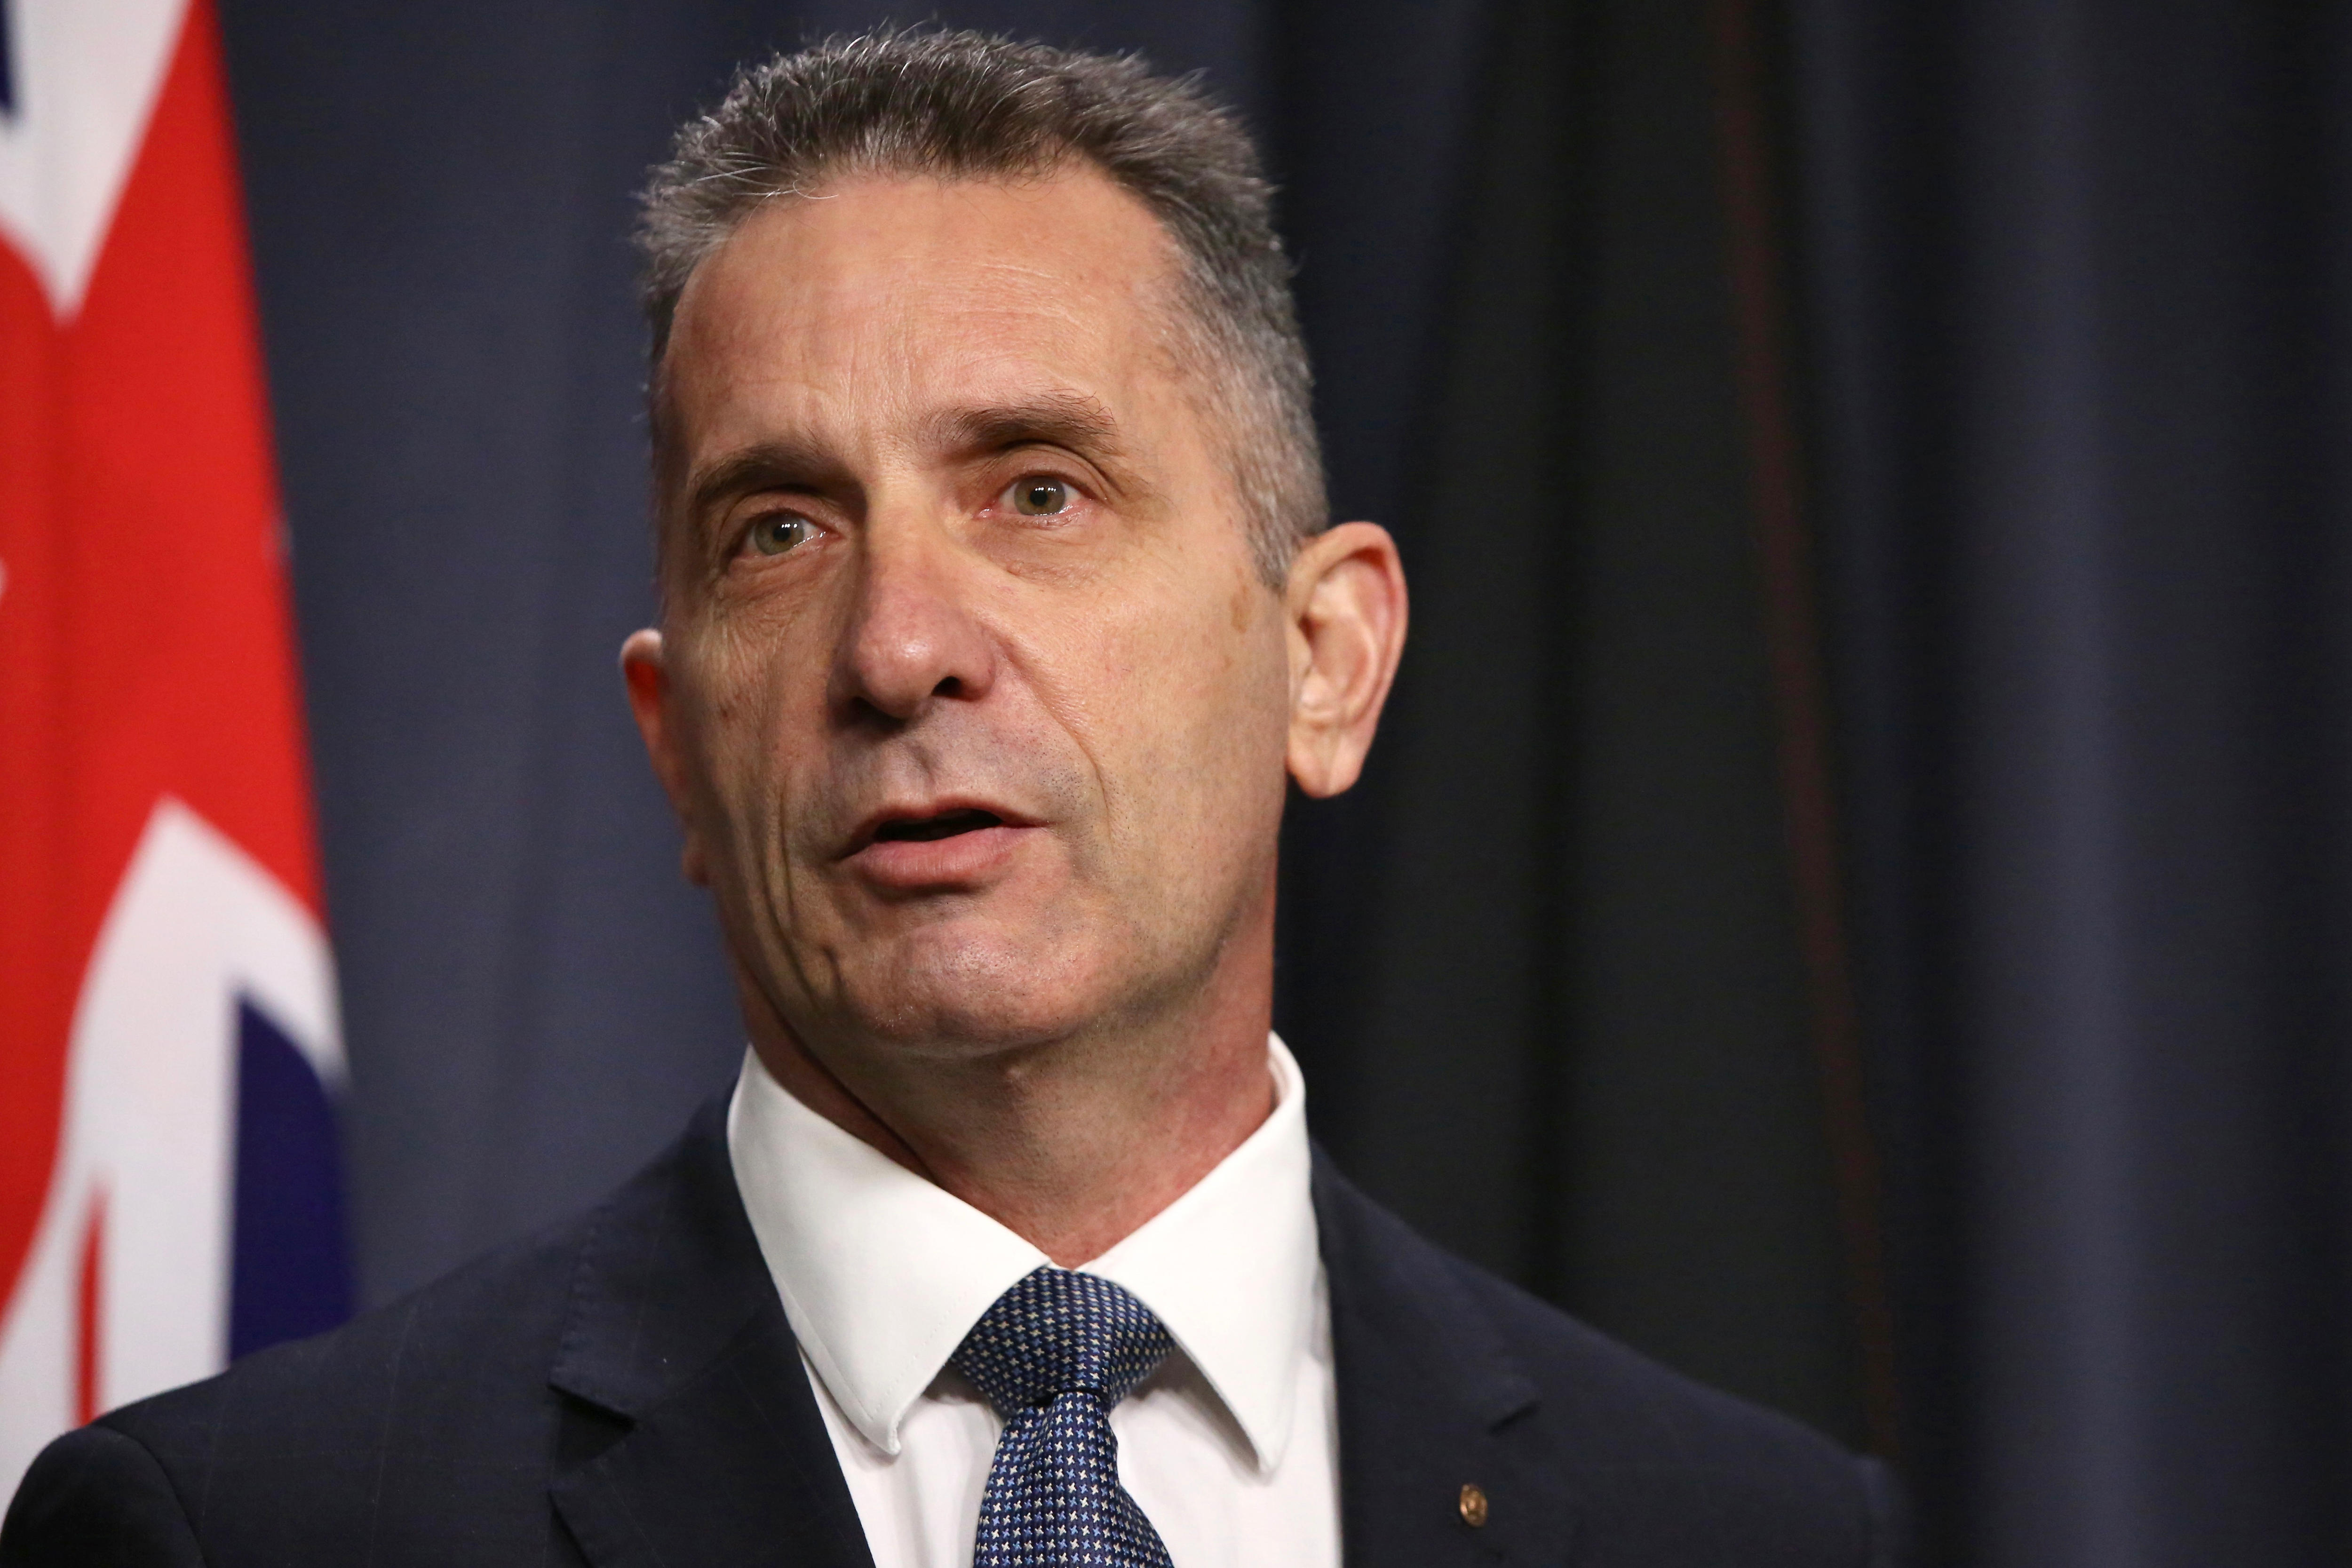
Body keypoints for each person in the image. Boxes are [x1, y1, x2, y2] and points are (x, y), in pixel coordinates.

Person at [1, 29, 1903, 1568]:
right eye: (776, 529)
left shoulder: (1748, 1532)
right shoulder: (257, 1532)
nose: (899, 645)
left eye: (1037, 492)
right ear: (674, 747)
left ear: (1323, 659)